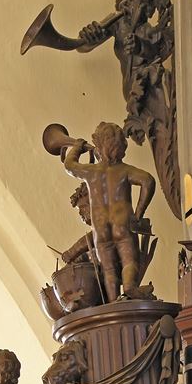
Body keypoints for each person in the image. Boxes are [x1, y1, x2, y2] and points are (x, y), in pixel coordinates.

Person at [63, 121, 156, 302]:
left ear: (98, 144)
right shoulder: (124, 170)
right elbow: (148, 181)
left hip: (101, 232)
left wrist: (76, 147)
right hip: (123, 226)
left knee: (109, 272)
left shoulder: (91, 172)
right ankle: (129, 293)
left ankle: (114, 303)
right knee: (129, 263)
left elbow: (69, 166)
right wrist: (138, 214)